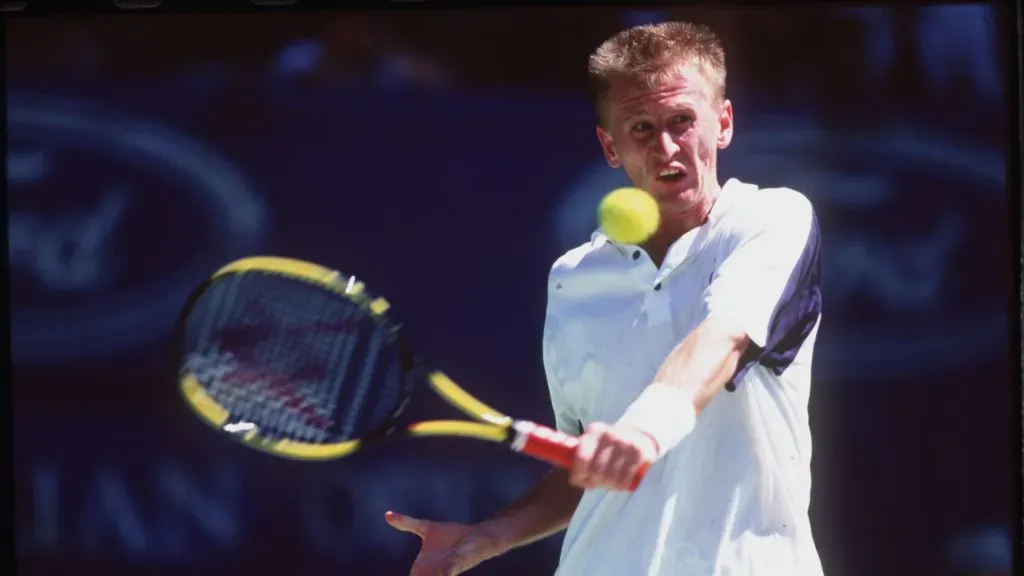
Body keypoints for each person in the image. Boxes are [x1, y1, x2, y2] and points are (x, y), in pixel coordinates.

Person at [385, 20, 825, 576]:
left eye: (683, 121)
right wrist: (489, 536)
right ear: (609, 147)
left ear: (724, 124)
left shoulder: (772, 220)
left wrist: (642, 432)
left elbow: (722, 340)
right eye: (641, 127)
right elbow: (588, 466)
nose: (667, 146)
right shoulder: (573, 279)